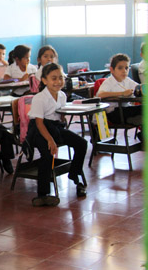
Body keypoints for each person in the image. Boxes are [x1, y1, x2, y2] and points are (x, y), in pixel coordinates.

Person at [27, 63, 88, 207]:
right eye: (53, 78)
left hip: (55, 127)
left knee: (82, 143)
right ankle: (43, 194)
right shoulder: (39, 98)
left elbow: (60, 116)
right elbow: (39, 123)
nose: (58, 81)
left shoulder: (61, 95)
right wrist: (51, 141)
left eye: (60, 78)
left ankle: (74, 174)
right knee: (48, 153)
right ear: (44, 80)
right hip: (39, 130)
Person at [97, 53, 142, 127]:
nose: (124, 71)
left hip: (126, 109)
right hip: (114, 114)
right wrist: (122, 93)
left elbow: (138, 87)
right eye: (120, 68)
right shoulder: (109, 82)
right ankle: (135, 120)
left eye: (126, 68)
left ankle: (137, 123)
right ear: (112, 69)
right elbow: (100, 94)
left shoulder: (127, 80)